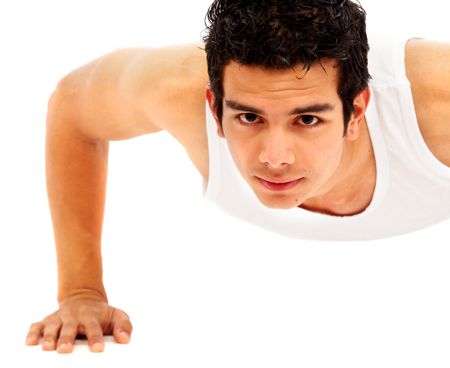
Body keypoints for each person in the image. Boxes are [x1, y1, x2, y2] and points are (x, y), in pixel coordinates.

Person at [26, 0, 450, 354]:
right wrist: (81, 292)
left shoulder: (436, 104)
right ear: (215, 108)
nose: (275, 157)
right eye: (249, 117)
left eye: (306, 119)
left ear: (356, 111)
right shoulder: (175, 89)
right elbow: (71, 108)